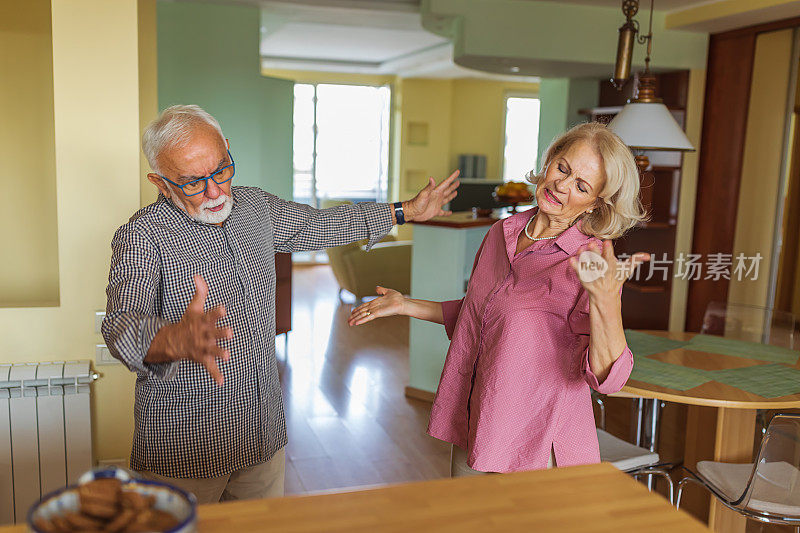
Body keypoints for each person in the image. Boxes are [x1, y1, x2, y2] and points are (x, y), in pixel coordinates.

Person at [102, 104, 459, 502]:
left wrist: (405, 211)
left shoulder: (255, 207)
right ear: (160, 182)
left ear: (227, 149)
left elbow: (320, 224)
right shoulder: (141, 236)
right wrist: (170, 340)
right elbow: (121, 324)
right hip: (184, 448)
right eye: (193, 182)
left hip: (261, 434)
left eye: (221, 169)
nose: (216, 191)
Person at [348, 122, 649, 476]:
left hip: (538, 445)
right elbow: (485, 315)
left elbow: (608, 379)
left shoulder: (589, 264)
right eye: (562, 168)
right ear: (550, 159)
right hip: (480, 418)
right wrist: (405, 304)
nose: (562, 185)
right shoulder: (501, 233)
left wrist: (607, 304)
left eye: (581, 186)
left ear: (596, 202)